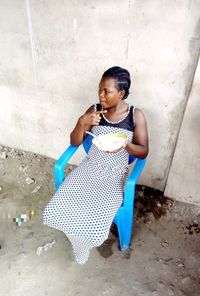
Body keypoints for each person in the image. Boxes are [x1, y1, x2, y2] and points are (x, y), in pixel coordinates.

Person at [43, 66, 149, 264]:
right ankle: (76, 238)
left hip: (115, 174)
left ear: (121, 93)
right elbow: (75, 142)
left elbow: (143, 151)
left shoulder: (135, 116)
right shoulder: (94, 110)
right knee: (56, 207)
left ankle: (83, 244)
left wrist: (126, 145)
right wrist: (82, 122)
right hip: (89, 167)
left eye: (106, 91)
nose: (101, 95)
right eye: (99, 90)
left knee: (96, 222)